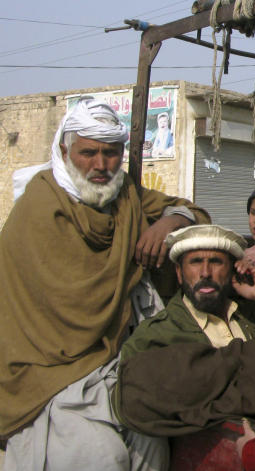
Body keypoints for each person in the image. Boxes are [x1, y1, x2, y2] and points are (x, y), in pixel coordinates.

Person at [0, 98, 210, 471]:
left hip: (115, 361)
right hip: (50, 370)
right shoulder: (41, 205)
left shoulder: (123, 194)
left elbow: (187, 209)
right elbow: (68, 306)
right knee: (100, 457)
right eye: (88, 153)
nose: (100, 165)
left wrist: (167, 223)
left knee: (152, 444)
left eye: (111, 153)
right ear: (65, 151)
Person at [117, 224, 255, 471]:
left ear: (232, 269)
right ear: (179, 274)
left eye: (215, 262)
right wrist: (253, 367)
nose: (205, 272)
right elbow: (139, 402)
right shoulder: (157, 334)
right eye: (195, 262)